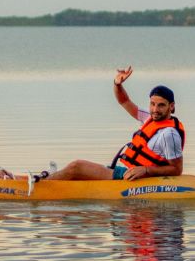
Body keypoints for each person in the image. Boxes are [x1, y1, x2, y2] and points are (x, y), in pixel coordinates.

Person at [45, 66, 184, 181]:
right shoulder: (149, 118)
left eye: (161, 105)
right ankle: (52, 179)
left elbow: (176, 169)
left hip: (129, 177)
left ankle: (43, 185)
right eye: (152, 104)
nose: (155, 110)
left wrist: (145, 170)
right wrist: (118, 84)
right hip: (119, 170)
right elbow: (124, 101)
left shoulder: (169, 134)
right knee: (76, 174)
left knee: (77, 167)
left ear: (171, 106)